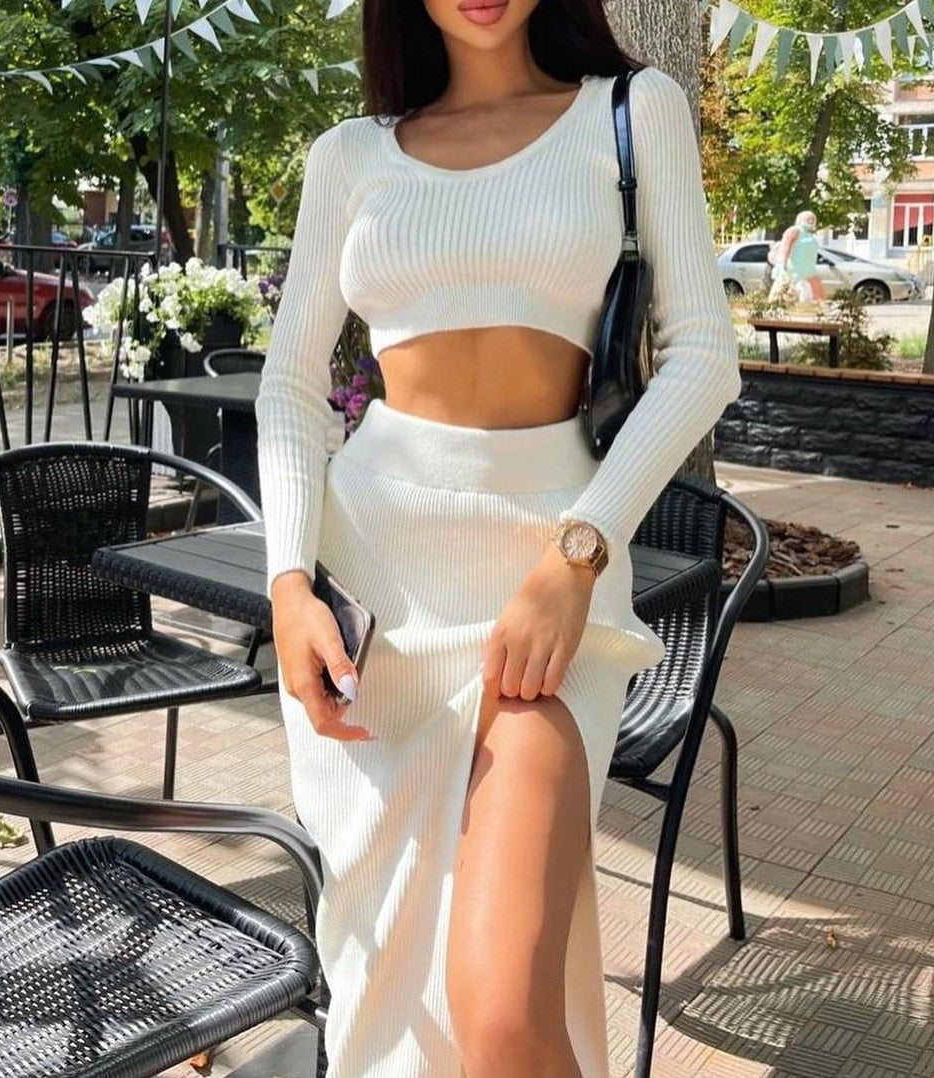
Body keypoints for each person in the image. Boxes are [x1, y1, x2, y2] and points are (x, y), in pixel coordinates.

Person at [254, 1, 741, 1074]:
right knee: (388, 982)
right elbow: (289, 384)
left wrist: (577, 555)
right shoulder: (350, 154)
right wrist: (287, 584)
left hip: (547, 577)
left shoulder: (631, 111)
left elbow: (703, 355)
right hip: (375, 583)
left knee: (505, 1017)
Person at [768, 209, 825, 304]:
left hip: (808, 272)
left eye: (812, 219)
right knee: (793, 296)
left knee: (809, 297)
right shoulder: (794, 230)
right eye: (808, 218)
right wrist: (782, 264)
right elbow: (785, 247)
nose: (811, 221)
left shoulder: (810, 235)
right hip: (793, 271)